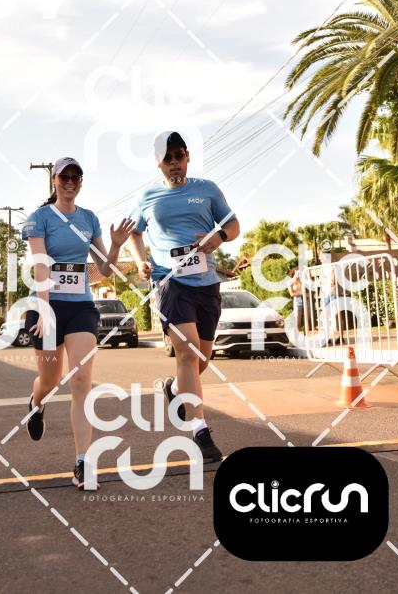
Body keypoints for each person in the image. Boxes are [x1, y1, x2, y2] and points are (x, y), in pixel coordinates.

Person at [22, 156, 134, 489]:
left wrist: (115, 246)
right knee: (50, 380)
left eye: (76, 177)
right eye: (64, 177)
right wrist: (45, 308)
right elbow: (41, 265)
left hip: (81, 307)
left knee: (82, 380)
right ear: (54, 181)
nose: (70, 182)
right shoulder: (40, 218)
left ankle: (83, 461)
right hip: (47, 305)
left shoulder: (89, 219)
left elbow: (103, 270)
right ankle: (36, 403)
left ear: (81, 181)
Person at [127, 131, 240, 462]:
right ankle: (200, 431)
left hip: (206, 283)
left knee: (203, 357)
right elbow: (134, 232)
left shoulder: (207, 190)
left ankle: (175, 389)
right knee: (188, 353)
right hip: (169, 282)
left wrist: (220, 236)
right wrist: (140, 261)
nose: (174, 163)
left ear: (187, 156)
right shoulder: (147, 196)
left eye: (178, 155)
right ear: (158, 163)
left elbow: (234, 225)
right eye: (167, 158)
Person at [287, 264, 304, 332]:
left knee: (306, 319)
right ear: (295, 272)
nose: (300, 274)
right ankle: (295, 333)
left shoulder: (302, 280)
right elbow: (291, 294)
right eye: (298, 272)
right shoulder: (290, 282)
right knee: (297, 319)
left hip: (306, 300)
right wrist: (302, 294)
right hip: (298, 300)